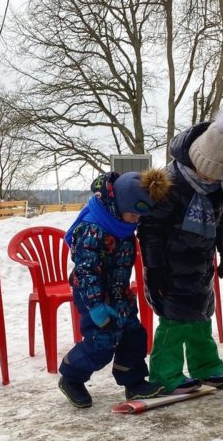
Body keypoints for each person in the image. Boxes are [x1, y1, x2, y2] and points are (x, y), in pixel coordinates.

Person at [137, 107, 223, 395]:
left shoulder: (221, 187)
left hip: (201, 264)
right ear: (197, 159)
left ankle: (206, 366)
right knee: (175, 321)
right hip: (168, 266)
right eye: (207, 173)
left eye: (218, 176)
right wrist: (155, 268)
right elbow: (150, 229)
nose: (212, 180)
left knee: (200, 317)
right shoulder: (169, 183)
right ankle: (165, 373)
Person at [58, 168, 171, 408]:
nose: (136, 220)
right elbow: (85, 271)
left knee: (133, 334)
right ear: (119, 204)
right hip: (92, 293)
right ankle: (71, 376)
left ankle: (134, 381)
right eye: (133, 214)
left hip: (119, 290)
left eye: (140, 216)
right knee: (102, 340)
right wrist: (96, 306)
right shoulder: (92, 228)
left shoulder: (123, 225)